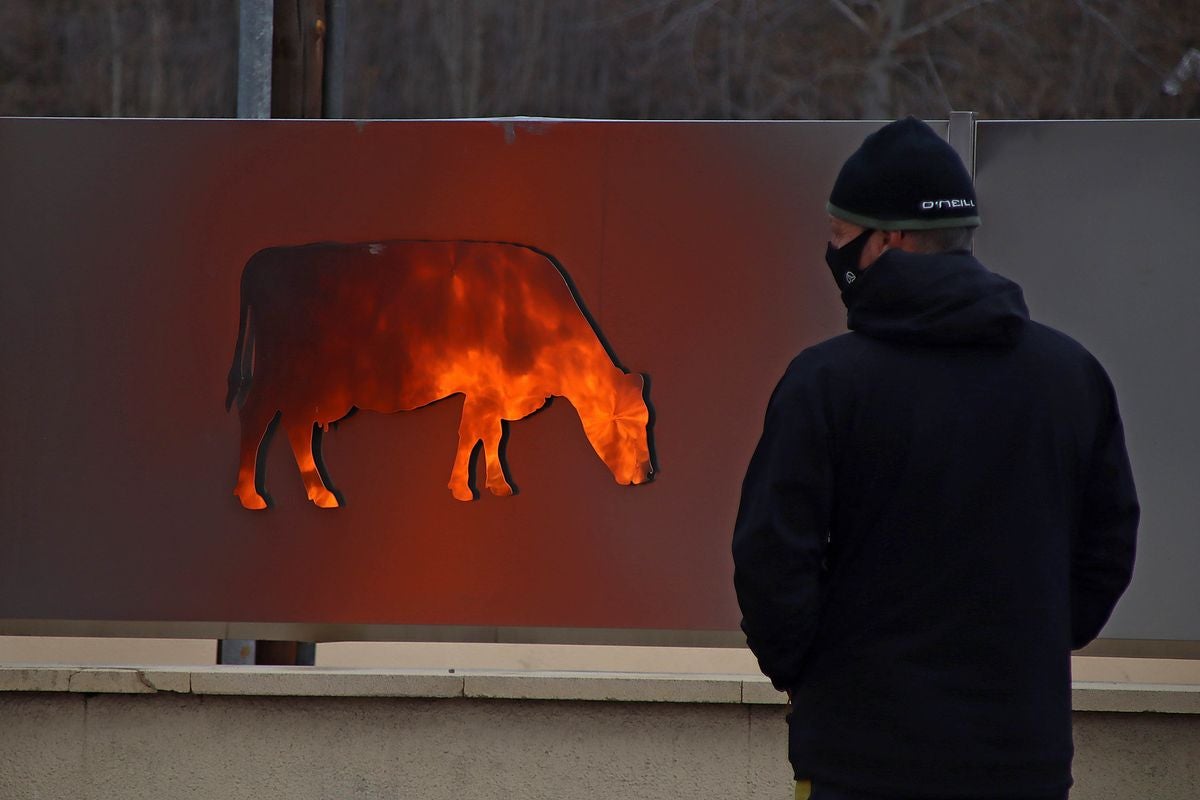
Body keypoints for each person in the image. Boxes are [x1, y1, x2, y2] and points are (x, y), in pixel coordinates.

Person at [731, 117, 1138, 800]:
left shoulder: (827, 385)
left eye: (840, 238)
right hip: (1023, 760)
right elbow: (1107, 551)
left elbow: (772, 558)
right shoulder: (1070, 377)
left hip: (861, 764)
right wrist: (1028, 643)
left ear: (887, 240)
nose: (833, 256)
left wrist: (815, 672)